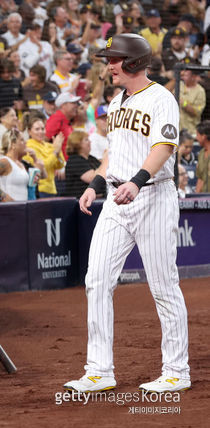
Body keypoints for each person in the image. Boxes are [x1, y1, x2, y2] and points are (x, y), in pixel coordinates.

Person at [65, 33, 190, 393]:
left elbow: (164, 146)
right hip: (116, 197)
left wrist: (136, 181)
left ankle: (176, 371)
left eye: (115, 60)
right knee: (97, 280)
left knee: (163, 285)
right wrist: (95, 183)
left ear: (133, 62)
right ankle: (99, 370)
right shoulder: (117, 101)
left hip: (151, 195)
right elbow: (113, 152)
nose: (109, 66)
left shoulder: (161, 98)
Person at [0, 128, 45, 201]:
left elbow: (34, 184)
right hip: (10, 208)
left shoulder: (21, 164)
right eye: (22, 140)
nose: (25, 142)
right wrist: (2, 195)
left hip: (23, 207)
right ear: (13, 144)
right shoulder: (4, 161)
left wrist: (36, 163)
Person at [24, 116, 65, 198]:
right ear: (29, 131)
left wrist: (58, 150)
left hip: (52, 189)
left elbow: (60, 164)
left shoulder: (49, 145)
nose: (41, 132)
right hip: (39, 190)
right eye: (37, 129)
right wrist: (55, 152)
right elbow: (43, 167)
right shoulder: (28, 146)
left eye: (43, 129)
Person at [62, 130, 102, 197]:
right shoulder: (75, 160)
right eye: (86, 140)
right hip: (79, 202)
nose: (90, 142)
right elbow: (93, 178)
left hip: (97, 199)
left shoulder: (91, 158)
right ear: (77, 143)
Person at [195, 120, 210, 193]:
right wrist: (195, 198)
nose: (196, 138)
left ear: (203, 136)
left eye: (197, 135)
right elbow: (200, 179)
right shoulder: (201, 153)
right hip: (204, 199)